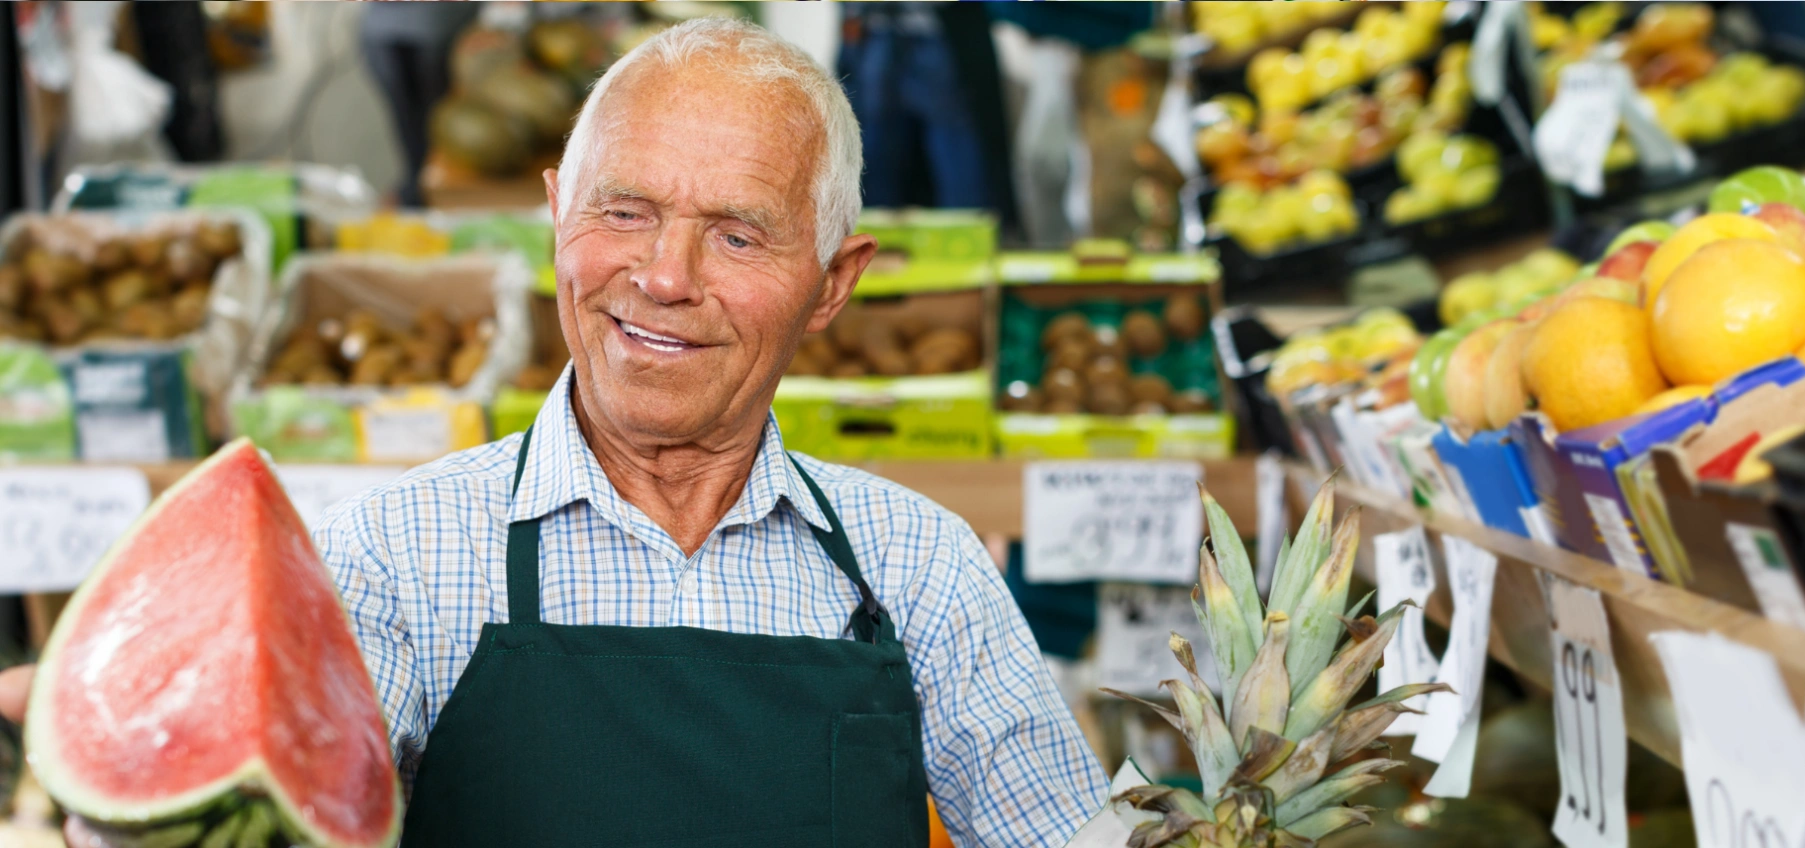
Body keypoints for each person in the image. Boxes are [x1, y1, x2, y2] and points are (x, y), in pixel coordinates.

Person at [1, 19, 1107, 848]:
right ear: (555, 216)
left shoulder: (920, 565)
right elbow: (284, 816)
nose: (663, 278)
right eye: (622, 211)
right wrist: (149, 753)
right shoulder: (396, 554)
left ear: (832, 283)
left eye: (736, 233)